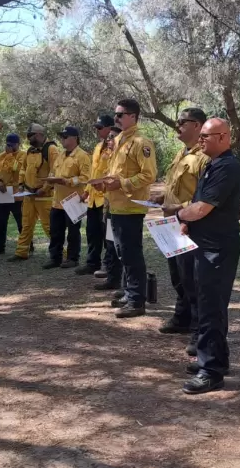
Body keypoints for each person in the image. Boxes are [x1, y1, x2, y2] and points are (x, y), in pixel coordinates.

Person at [176, 118, 240, 394]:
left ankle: (211, 371)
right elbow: (198, 206)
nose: (200, 140)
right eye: (200, 136)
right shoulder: (212, 164)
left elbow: (202, 208)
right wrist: (187, 221)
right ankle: (217, 358)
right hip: (205, 244)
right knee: (209, 306)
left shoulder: (227, 167)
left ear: (224, 137)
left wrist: (179, 214)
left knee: (211, 308)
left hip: (217, 249)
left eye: (206, 136)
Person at [90, 99, 156, 318]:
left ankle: (137, 300)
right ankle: (129, 293)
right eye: (115, 114)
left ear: (133, 116)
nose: (116, 118)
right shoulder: (117, 140)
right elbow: (114, 171)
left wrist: (122, 184)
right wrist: (103, 183)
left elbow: (148, 175)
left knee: (131, 253)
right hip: (115, 205)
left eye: (120, 115)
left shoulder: (141, 142)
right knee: (122, 254)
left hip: (131, 208)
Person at [158, 108, 210, 343]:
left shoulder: (205, 157)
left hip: (190, 224)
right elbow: (176, 186)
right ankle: (182, 317)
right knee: (178, 274)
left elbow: (205, 198)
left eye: (182, 122)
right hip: (172, 223)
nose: (177, 125)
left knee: (192, 277)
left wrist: (179, 207)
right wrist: (163, 199)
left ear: (198, 125)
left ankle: (199, 329)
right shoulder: (182, 154)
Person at [44, 126, 91, 269]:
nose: (62, 139)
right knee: (55, 231)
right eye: (61, 137)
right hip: (57, 200)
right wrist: (50, 180)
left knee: (73, 232)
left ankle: (72, 258)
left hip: (74, 200)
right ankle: (55, 258)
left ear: (75, 138)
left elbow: (85, 178)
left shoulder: (82, 156)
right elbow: (53, 172)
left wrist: (68, 181)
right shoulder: (60, 155)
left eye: (65, 137)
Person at [9, 123, 58, 262]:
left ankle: (61, 254)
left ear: (38, 134)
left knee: (49, 226)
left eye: (30, 136)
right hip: (29, 195)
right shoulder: (30, 151)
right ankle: (21, 252)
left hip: (45, 196)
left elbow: (55, 171)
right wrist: (20, 184)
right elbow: (23, 169)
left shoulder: (52, 149)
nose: (28, 139)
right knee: (26, 224)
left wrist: (45, 188)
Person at [74, 115, 116, 276]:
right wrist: (86, 191)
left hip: (105, 198)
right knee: (92, 233)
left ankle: (108, 265)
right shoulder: (98, 146)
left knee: (108, 236)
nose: (97, 131)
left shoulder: (115, 147)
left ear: (110, 128)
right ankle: (92, 262)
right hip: (93, 198)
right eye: (96, 127)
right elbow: (94, 171)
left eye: (100, 127)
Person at [0, 133, 26, 256]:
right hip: (2, 193)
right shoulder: (0, 157)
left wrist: (9, 155)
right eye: (7, 143)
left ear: (17, 144)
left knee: (21, 222)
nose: (9, 146)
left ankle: (26, 246)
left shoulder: (23, 156)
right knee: (0, 221)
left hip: (16, 194)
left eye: (12, 144)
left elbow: (15, 168)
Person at [95, 128, 123, 288]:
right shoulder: (111, 159)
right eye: (108, 138)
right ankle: (112, 278)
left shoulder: (123, 160)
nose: (108, 141)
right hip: (109, 206)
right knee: (110, 243)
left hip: (123, 209)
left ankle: (119, 282)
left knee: (119, 247)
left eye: (112, 137)